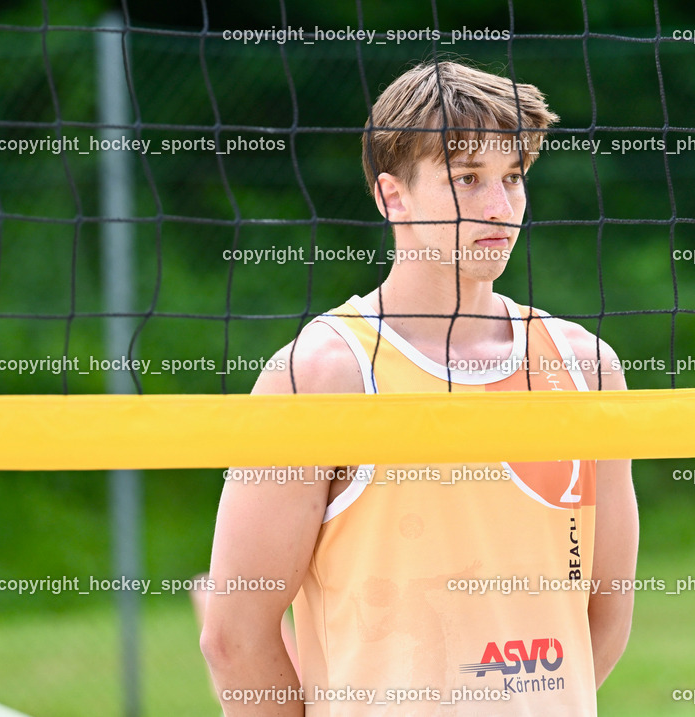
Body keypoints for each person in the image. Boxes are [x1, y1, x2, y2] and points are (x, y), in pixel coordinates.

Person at [200, 59, 639, 716]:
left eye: (513, 178)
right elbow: (234, 637)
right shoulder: (325, 372)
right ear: (391, 196)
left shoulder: (585, 366)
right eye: (467, 179)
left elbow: (603, 618)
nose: (500, 207)